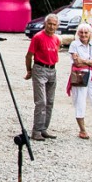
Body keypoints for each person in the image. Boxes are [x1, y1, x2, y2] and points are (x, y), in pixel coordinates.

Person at [24, 13, 62, 141]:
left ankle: (44, 128)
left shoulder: (56, 39)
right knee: (41, 101)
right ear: (45, 24)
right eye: (49, 24)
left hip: (52, 69)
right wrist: (29, 70)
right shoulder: (38, 37)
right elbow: (28, 55)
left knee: (50, 101)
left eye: (54, 24)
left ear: (57, 26)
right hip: (40, 68)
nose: (51, 27)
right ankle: (36, 130)